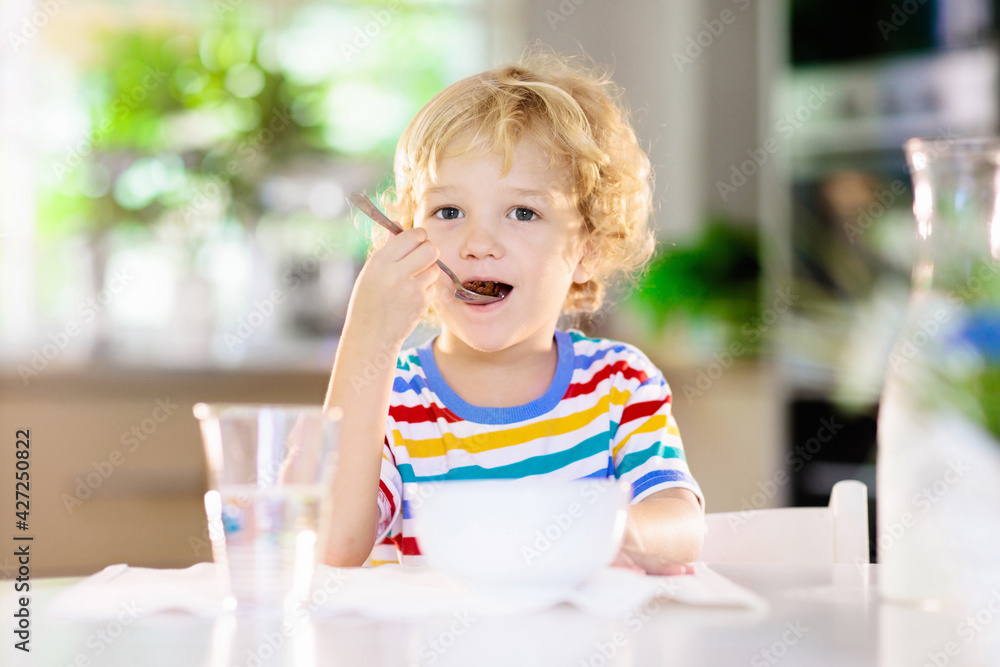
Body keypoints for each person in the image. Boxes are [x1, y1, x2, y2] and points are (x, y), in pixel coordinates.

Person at [321, 51, 705, 574]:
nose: (479, 243)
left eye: (523, 212)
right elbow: (335, 546)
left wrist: (605, 537)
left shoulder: (620, 384)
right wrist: (369, 337)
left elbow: (682, 525)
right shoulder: (390, 401)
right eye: (448, 211)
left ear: (587, 249)